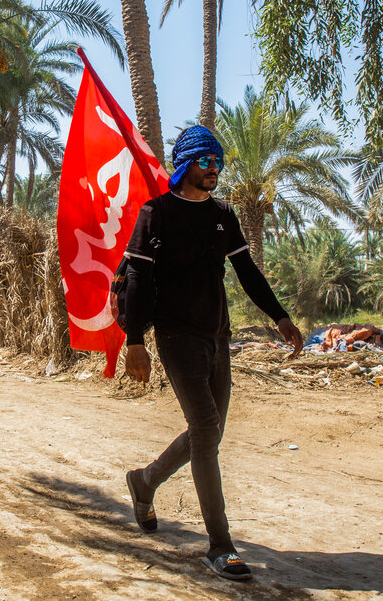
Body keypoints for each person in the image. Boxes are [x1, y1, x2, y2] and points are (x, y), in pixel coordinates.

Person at [122, 125, 304, 582]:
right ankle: (221, 546)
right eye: (207, 162)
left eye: (218, 162)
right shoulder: (156, 213)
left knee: (209, 433)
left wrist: (279, 316)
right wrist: (134, 340)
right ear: (186, 164)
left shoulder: (223, 215)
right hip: (176, 336)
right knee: (206, 430)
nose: (215, 170)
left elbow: (247, 271)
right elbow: (139, 281)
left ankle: (145, 481)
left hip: (218, 336)